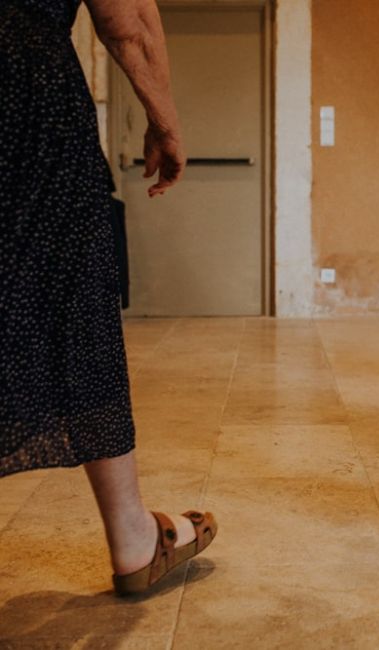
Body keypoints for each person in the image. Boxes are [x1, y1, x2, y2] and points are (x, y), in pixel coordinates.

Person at [1, 0, 216, 595]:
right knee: (72, 302)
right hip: (22, 88)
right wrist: (165, 121)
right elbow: (129, 22)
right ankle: (133, 538)